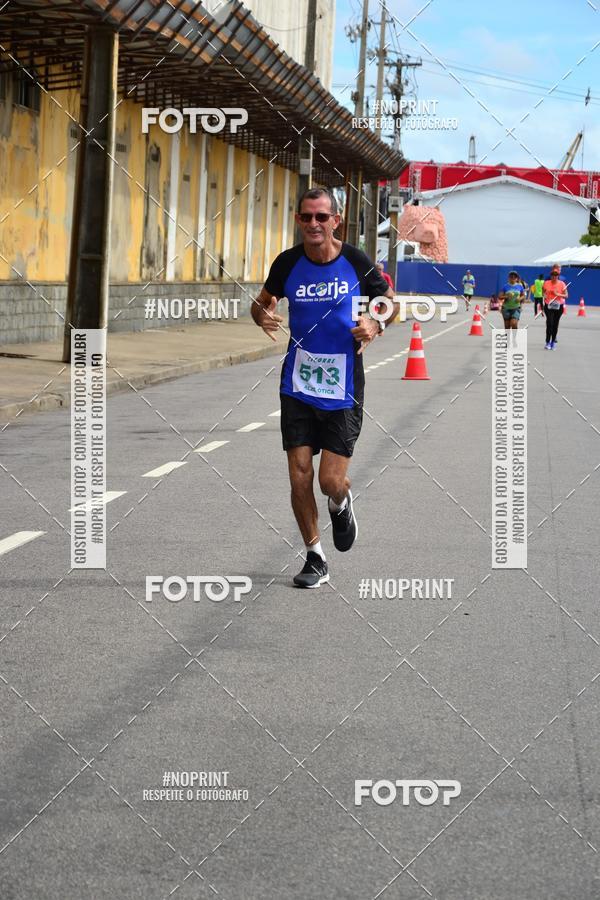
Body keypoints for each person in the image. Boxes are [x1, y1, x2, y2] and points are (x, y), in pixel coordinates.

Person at [252, 187, 399, 588]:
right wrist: (261, 315)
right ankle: (314, 556)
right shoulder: (287, 263)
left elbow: (389, 301)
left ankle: (341, 501)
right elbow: (260, 302)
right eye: (306, 217)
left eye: (321, 217)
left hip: (343, 385)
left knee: (328, 480)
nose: (313, 224)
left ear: (336, 220)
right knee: (299, 475)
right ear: (298, 220)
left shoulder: (354, 261)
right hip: (297, 383)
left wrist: (376, 322)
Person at [542, 266, 568, 349]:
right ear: (550, 275)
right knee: (549, 323)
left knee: (555, 325)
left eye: (556, 275)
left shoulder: (562, 284)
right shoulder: (546, 283)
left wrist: (558, 294)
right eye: (553, 275)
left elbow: (566, 295)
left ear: (558, 276)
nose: (554, 276)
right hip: (548, 305)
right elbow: (543, 292)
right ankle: (547, 342)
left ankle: (553, 342)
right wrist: (544, 295)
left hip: (558, 306)